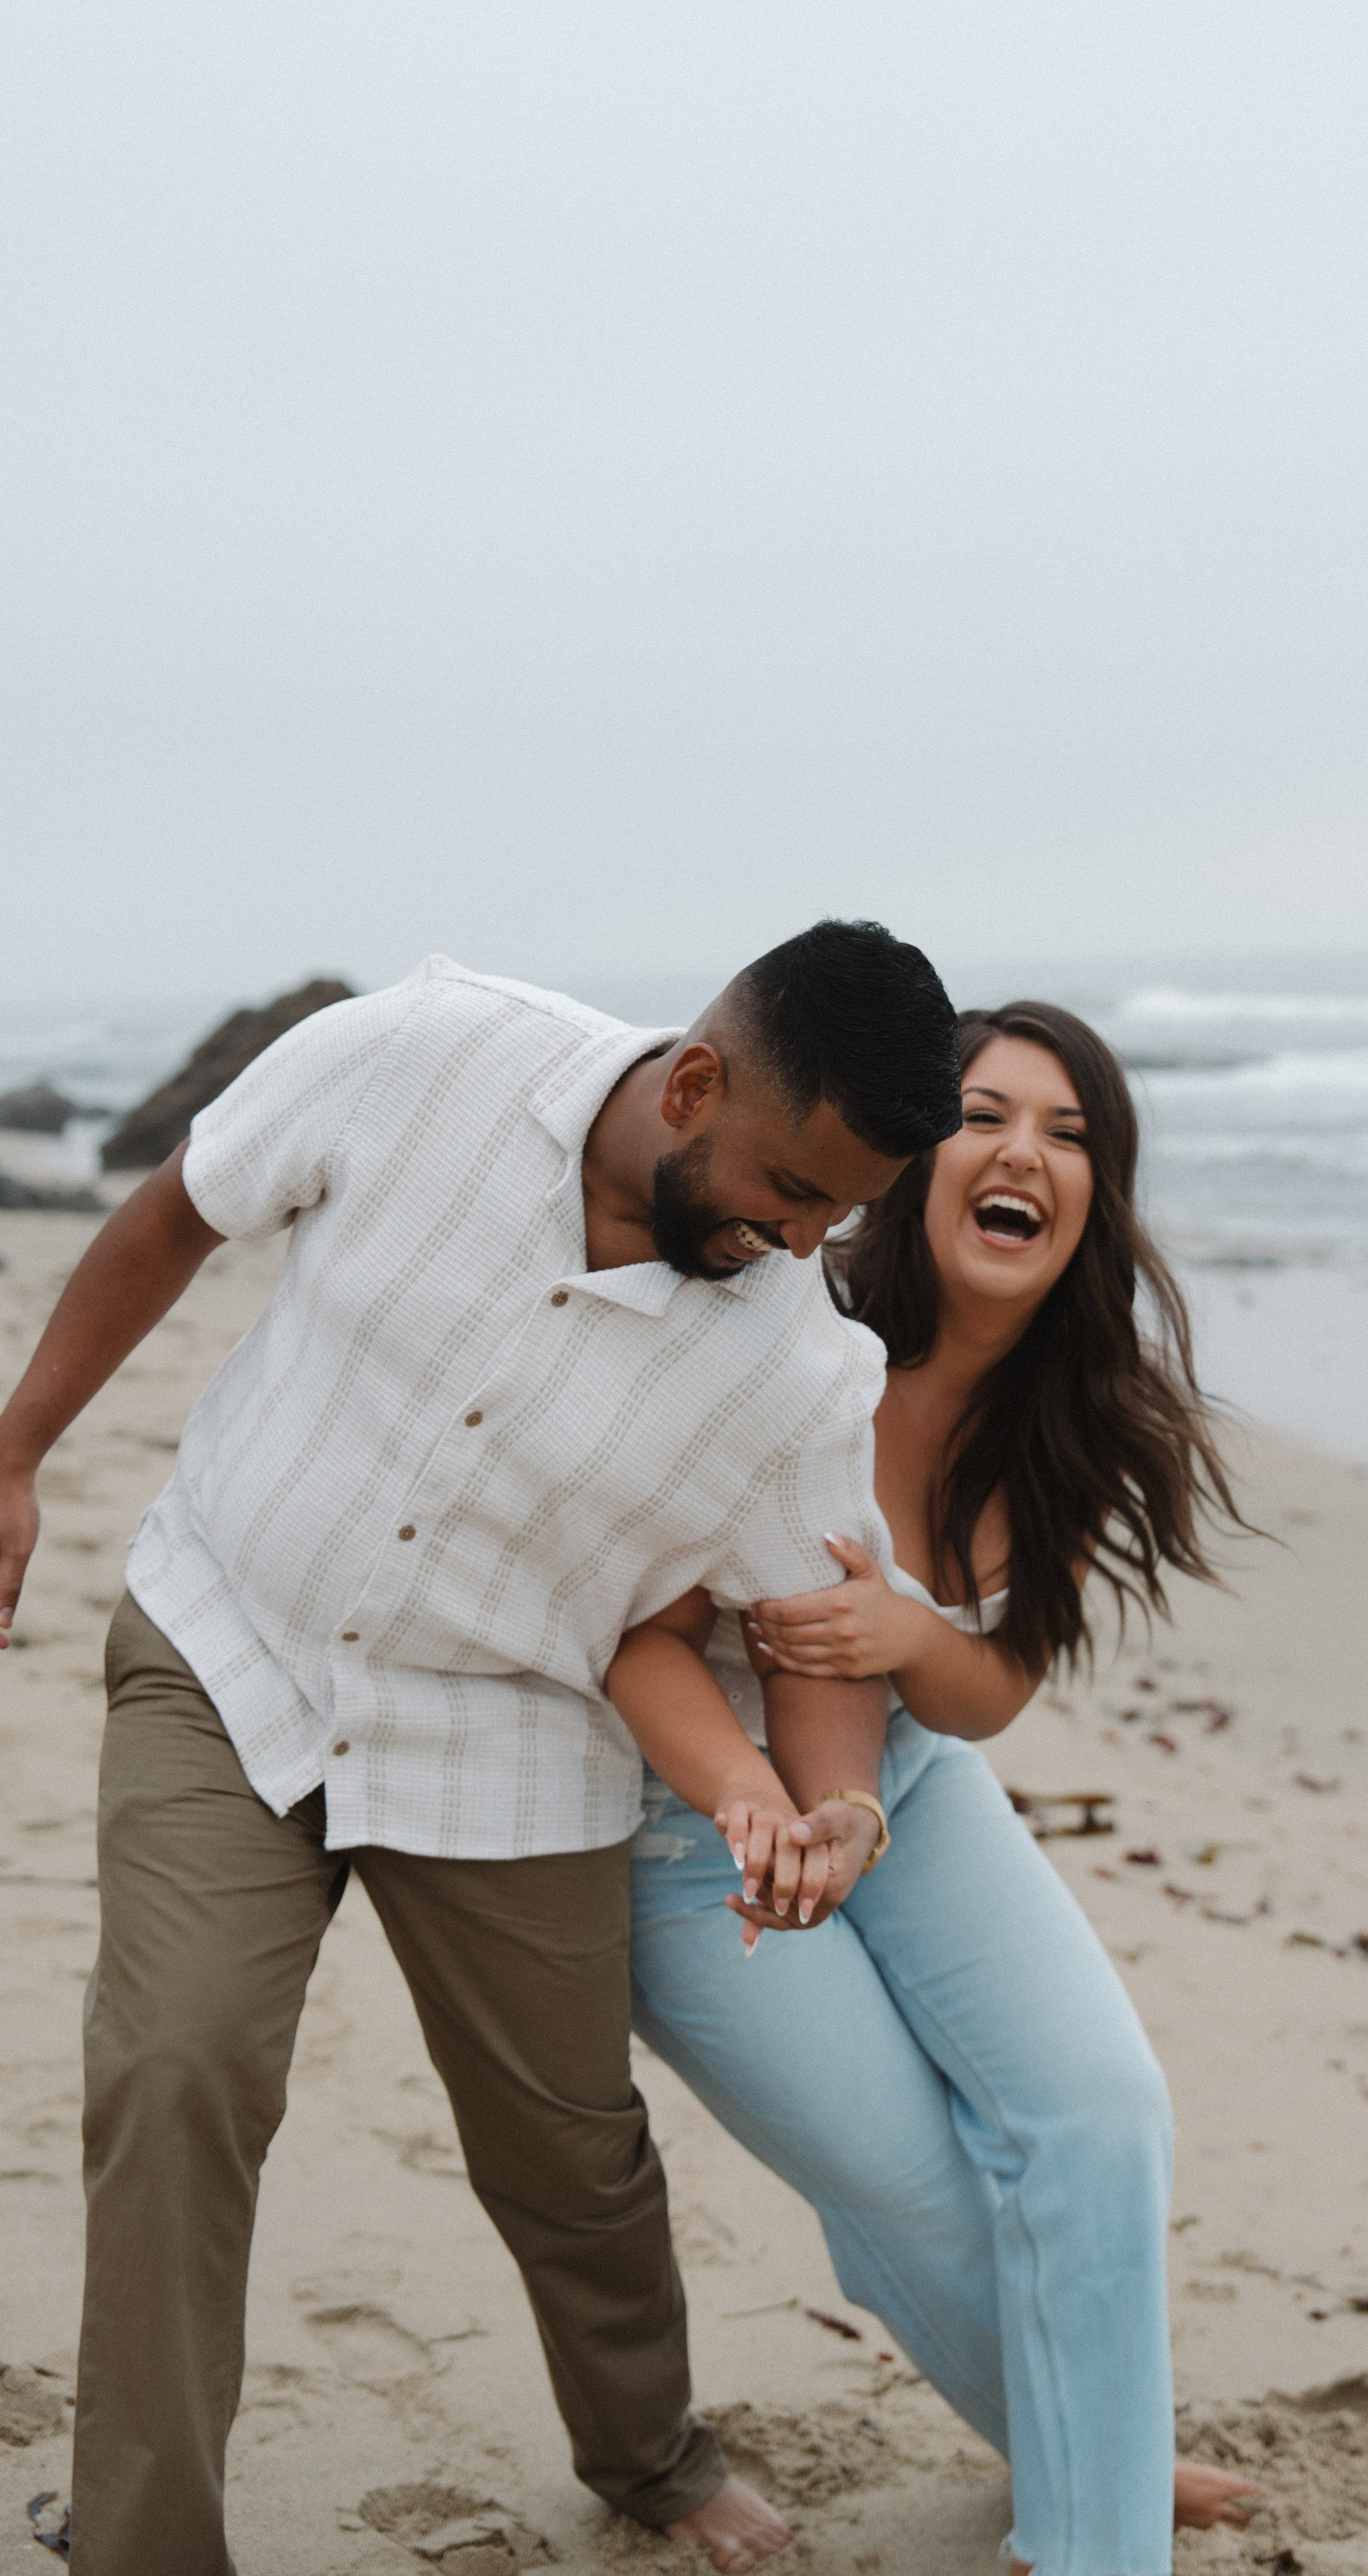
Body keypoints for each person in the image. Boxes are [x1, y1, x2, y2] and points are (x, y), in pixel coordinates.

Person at [0, 923, 962, 2576]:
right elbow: (176, 1213)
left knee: (567, 2149)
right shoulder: (423, 1049)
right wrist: (15, 1453)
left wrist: (839, 1806)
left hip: (507, 1740)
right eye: (792, 1188)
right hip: (232, 1644)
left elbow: (810, 1625)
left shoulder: (799, 1362)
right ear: (692, 1083)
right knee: (175, 2070)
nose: (807, 1238)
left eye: (845, 1213)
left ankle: (649, 2453)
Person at [613, 1001, 1260, 2576]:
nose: (1024, 1152)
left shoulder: (1069, 1406)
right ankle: (1096, 2451)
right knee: (914, 2192)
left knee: (1100, 2117)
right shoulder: (777, 1330)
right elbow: (636, 1635)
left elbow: (988, 1691)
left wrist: (909, 1635)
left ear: (1095, 1197)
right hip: (690, 1831)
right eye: (985, 1115)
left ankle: (1094, 2518)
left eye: (1069, 1135)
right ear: (912, 1159)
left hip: (902, 1780)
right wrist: (771, 1804)